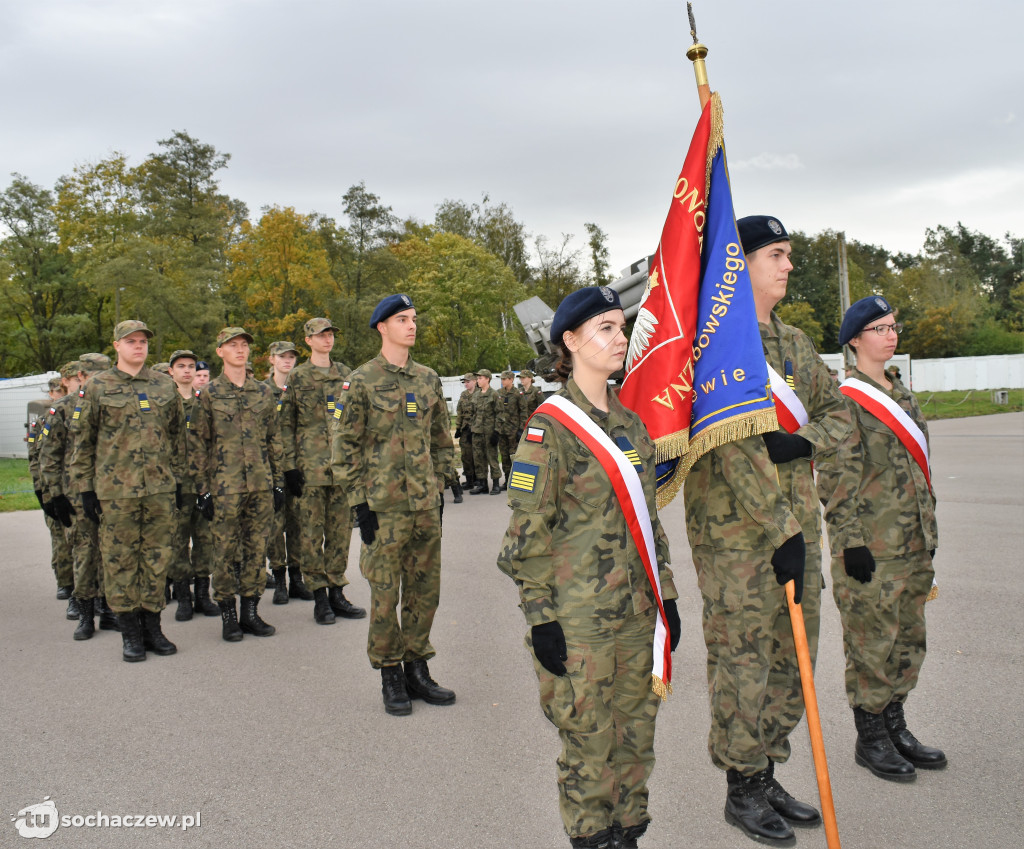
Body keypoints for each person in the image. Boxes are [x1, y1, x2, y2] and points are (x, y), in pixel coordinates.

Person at [682, 216, 852, 846]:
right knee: (743, 659)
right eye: (775, 255)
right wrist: (780, 529)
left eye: (788, 255)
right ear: (741, 262)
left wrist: (798, 441)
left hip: (797, 531)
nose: (786, 266)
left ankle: (768, 766)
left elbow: (839, 413)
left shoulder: (797, 344)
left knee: (792, 654)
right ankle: (741, 785)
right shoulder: (713, 347)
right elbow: (730, 453)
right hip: (737, 540)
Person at [497, 286, 679, 849]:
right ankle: (591, 837)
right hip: (579, 622)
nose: (618, 337)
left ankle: (628, 833)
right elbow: (526, 537)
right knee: (589, 742)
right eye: (604, 328)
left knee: (635, 738)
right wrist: (541, 619)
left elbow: (650, 520)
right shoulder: (548, 429)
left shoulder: (630, 423)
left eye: (620, 327)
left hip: (635, 612)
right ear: (570, 342)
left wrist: (666, 594)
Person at [817, 296, 946, 782]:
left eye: (893, 326)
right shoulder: (845, 400)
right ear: (854, 340)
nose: (889, 335)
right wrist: (850, 542)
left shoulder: (902, 393)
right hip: (871, 545)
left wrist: (929, 530)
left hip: (911, 539)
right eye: (877, 329)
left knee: (909, 638)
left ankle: (896, 726)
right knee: (873, 642)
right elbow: (834, 475)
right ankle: (870, 738)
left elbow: (920, 468)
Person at [331, 293, 456, 716]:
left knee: (425, 592)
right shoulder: (361, 381)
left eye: (414, 318)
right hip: (382, 509)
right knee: (385, 596)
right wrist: (359, 506)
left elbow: (442, 439)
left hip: (423, 505)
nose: (412, 325)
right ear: (382, 327)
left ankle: (417, 669)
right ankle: (389, 673)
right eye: (402, 319)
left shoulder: (428, 378)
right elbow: (343, 448)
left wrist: (438, 488)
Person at [68, 320, 187, 663]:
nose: (138, 346)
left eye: (143, 341)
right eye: (131, 341)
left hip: (159, 491)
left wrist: (177, 481)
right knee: (120, 562)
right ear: (116, 346)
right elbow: (83, 442)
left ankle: (153, 627)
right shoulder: (97, 386)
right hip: (115, 493)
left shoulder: (164, 385)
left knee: (156, 559)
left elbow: (178, 439)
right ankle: (130, 633)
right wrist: (85, 491)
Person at [189, 327, 285, 642]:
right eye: (233, 345)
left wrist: (278, 482)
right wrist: (202, 490)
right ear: (220, 351)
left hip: (260, 485)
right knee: (225, 552)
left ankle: (251, 612)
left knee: (257, 549)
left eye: (244, 345)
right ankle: (229, 616)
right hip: (224, 487)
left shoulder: (263, 392)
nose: (240, 350)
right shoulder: (208, 394)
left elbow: (274, 439)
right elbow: (198, 445)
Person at [280, 318, 365, 624]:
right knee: (312, 535)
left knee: (341, 533)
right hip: (310, 468)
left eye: (330, 333)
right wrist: (289, 467)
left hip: (341, 469)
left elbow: (357, 420)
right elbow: (285, 424)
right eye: (321, 335)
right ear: (308, 340)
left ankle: (337, 593)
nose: (327, 339)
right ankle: (319, 596)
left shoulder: (345, 374)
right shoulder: (298, 377)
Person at [39, 354, 117, 639]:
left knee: (110, 553)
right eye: (93, 376)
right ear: (82, 377)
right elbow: (50, 455)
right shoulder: (62, 408)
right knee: (84, 554)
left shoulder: (112, 406)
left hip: (110, 492)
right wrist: (53, 494)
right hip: (75, 495)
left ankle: (109, 611)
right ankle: (85, 614)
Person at [166, 349, 218, 619]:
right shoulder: (165, 402)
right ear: (171, 371)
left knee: (204, 540)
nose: (187, 371)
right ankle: (183, 597)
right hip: (176, 484)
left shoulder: (204, 401)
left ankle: (202, 595)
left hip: (203, 483)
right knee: (177, 542)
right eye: (181, 367)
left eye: (190, 367)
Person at [264, 340, 312, 604]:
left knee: (297, 525)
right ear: (271, 359)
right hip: (272, 470)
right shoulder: (262, 391)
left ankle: (296, 578)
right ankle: (279, 578)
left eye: (292, 356)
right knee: (274, 527)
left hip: (298, 466)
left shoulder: (300, 388)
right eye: (282, 356)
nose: (287, 361)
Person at [34, 364, 77, 616]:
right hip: (60, 486)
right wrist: (44, 492)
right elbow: (40, 456)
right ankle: (69, 586)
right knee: (64, 541)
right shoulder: (53, 413)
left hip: (83, 488)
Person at [469, 368, 501, 495]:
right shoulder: (476, 395)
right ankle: (482, 484)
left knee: (491, 457)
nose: (478, 380)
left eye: (480, 378)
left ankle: (496, 484)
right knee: (478, 458)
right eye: (477, 378)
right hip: (477, 431)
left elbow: (500, 414)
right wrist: (471, 429)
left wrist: (496, 432)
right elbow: (473, 413)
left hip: (489, 432)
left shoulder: (494, 394)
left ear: (487, 379)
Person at [494, 369, 521, 490]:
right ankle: (507, 480)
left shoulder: (517, 394)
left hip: (513, 430)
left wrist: (521, 429)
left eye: (504, 379)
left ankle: (517, 481)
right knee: (504, 456)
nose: (502, 381)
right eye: (501, 379)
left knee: (514, 456)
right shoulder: (498, 393)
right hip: (502, 430)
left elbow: (523, 412)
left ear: (511, 380)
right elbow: (495, 412)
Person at [454, 372, 477, 487]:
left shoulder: (480, 393)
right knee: (465, 455)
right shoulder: (463, 395)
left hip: (477, 429)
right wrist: (458, 428)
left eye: (468, 382)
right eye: (465, 382)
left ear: (474, 381)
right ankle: (469, 480)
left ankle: (478, 478)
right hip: (465, 429)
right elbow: (459, 412)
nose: (466, 384)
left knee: (477, 455)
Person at [517, 368, 544, 432]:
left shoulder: (536, 391)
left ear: (530, 378)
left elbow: (541, 407)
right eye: (520, 378)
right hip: (521, 424)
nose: (521, 379)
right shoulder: (518, 391)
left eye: (523, 378)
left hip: (533, 422)